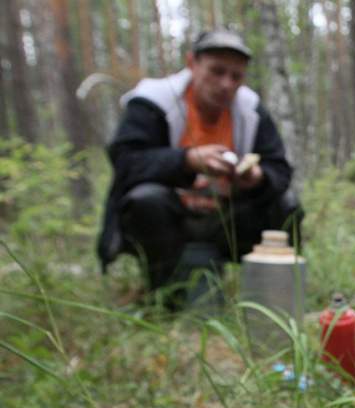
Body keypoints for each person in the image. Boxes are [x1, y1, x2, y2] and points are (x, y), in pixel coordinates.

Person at [96, 29, 301, 304]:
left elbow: (279, 169)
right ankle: (166, 298)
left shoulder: (250, 110)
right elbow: (125, 161)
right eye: (216, 71)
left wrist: (257, 178)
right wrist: (187, 160)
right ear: (192, 63)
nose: (226, 84)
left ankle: (272, 296)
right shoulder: (154, 100)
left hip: (228, 217)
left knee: (287, 204)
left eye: (236, 76)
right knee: (145, 200)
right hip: (170, 216)